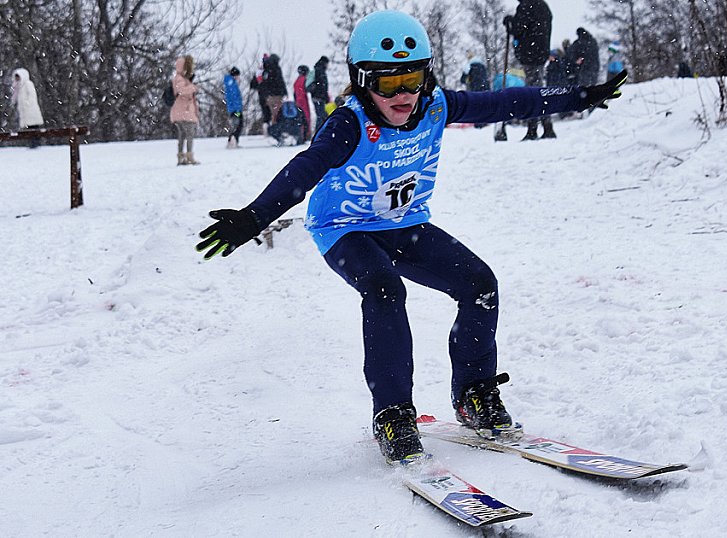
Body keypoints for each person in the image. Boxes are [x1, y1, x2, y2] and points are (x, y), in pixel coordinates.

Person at [196, 10, 627, 465]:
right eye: (387, 83)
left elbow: (505, 102)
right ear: (362, 82)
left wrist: (578, 96)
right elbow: (306, 168)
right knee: (384, 291)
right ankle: (393, 414)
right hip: (345, 230)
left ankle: (474, 395)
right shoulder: (350, 123)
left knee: (480, 286)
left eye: (413, 77)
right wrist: (254, 217)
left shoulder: (437, 104)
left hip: (404, 224)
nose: (403, 93)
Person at [504, 0, 556, 140]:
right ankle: (546, 126)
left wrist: (510, 22)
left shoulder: (526, 6)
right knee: (538, 89)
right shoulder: (543, 5)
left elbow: (517, 29)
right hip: (541, 53)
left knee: (532, 91)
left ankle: (533, 129)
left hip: (530, 54)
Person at [170, 55, 200, 165]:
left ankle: (181, 156)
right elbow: (181, 90)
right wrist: (194, 88)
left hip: (180, 111)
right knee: (189, 134)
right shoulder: (180, 79)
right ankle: (189, 156)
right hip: (185, 111)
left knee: (182, 136)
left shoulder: (179, 78)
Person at [250, 53, 287, 137]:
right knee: (276, 114)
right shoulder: (275, 69)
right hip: (274, 95)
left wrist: (261, 87)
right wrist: (284, 92)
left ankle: (267, 131)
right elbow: (280, 81)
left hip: (264, 96)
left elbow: (253, 84)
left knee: (266, 114)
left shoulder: (261, 71)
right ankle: (274, 132)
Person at [10, 68, 44, 148]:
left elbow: (32, 95)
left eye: (18, 76)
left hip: (31, 110)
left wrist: (26, 103)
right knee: (28, 128)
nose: (17, 78)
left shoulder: (28, 84)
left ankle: (35, 143)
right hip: (24, 111)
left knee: (34, 127)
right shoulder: (18, 87)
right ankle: (31, 143)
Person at [460, 51, 490, 128]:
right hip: (485, 87)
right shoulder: (482, 65)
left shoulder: (469, 65)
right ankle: (485, 121)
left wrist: (467, 79)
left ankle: (478, 123)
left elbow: (463, 80)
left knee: (476, 104)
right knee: (484, 104)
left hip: (475, 87)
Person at [307, 55, 330, 132]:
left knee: (321, 115)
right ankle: (319, 133)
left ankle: (320, 132)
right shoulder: (320, 71)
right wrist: (325, 96)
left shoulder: (317, 70)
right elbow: (322, 86)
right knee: (321, 116)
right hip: (319, 98)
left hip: (316, 97)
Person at [224, 66, 243, 148]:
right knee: (238, 124)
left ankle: (231, 140)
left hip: (232, 109)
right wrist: (238, 109)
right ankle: (233, 140)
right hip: (236, 110)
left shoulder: (229, 83)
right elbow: (235, 98)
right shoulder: (233, 84)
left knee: (235, 124)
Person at [294, 65, 312, 141]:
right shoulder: (304, 79)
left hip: (297, 101)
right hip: (303, 101)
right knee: (306, 118)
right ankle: (306, 136)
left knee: (300, 119)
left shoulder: (297, 80)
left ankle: (301, 135)